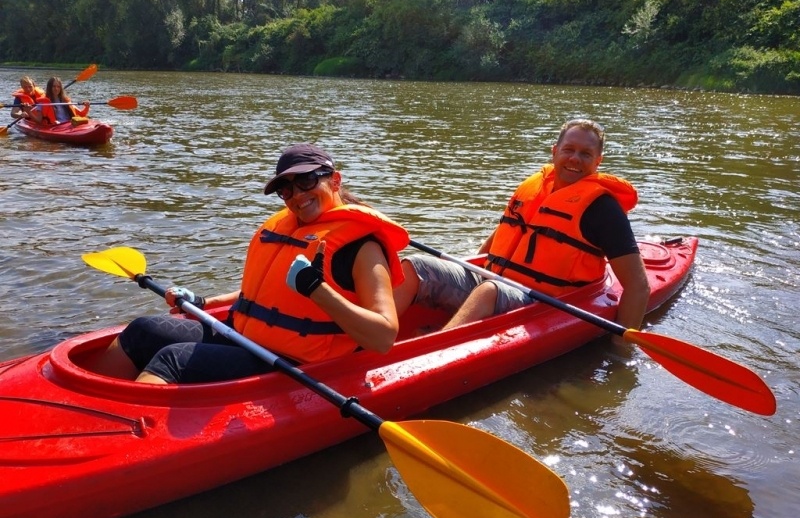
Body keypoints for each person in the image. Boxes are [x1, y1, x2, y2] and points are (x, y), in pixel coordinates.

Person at [92, 143, 410, 384]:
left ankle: (120, 443)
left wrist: (319, 291)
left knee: (173, 359)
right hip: (242, 335)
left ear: (335, 180)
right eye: (286, 190)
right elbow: (262, 294)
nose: (297, 196)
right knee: (143, 330)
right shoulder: (289, 228)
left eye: (307, 181)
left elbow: (383, 338)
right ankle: (91, 409)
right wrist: (204, 302)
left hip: (289, 361)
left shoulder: (362, 248)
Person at [393, 118, 651, 341]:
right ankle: (367, 337)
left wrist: (622, 348)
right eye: (569, 149)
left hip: (544, 303)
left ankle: (434, 348)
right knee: (416, 265)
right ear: (554, 152)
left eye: (585, 154)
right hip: (495, 283)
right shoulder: (535, 186)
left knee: (488, 291)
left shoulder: (603, 209)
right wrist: (470, 265)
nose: (575, 158)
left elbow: (638, 286)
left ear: (598, 161)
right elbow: (506, 232)